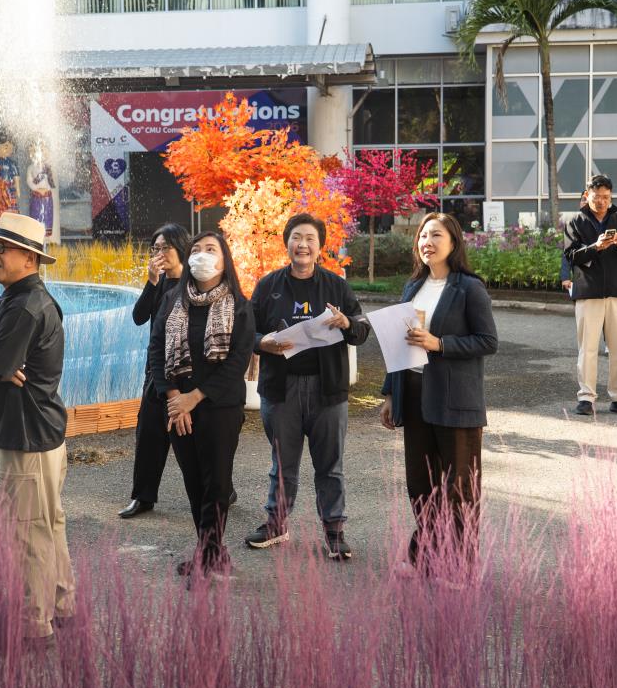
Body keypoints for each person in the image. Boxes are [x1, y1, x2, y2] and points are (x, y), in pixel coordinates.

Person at [0, 212, 74, 641]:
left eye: (2, 248)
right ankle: (62, 606)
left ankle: (33, 626)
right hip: (39, 433)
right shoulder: (14, 299)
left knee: (26, 533)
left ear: (30, 258)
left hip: (27, 437)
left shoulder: (24, 307)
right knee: (47, 525)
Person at [247, 213, 371, 560]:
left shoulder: (336, 286)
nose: (302, 245)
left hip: (327, 390)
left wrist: (347, 323)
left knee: (330, 465)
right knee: (282, 464)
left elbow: (362, 329)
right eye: (296, 238)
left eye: (310, 239)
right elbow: (246, 331)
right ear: (287, 243)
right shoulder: (268, 286)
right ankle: (276, 524)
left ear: (320, 246)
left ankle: (334, 531)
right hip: (280, 389)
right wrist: (262, 342)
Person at [378, 213, 497, 572]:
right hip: (415, 396)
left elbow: (487, 341)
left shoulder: (469, 288)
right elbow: (399, 343)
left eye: (436, 235)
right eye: (422, 236)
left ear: (454, 242)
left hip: (456, 399)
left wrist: (439, 343)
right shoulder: (413, 287)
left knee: (460, 489)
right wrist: (390, 394)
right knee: (421, 484)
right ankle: (427, 556)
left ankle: (460, 565)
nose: (427, 242)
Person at [147, 231, 254, 581]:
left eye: (211, 249)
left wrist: (194, 397)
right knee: (194, 483)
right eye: (196, 249)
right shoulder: (172, 301)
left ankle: (207, 560)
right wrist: (173, 397)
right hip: (177, 408)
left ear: (224, 260)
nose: (202, 255)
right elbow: (156, 350)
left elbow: (237, 362)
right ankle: (212, 554)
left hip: (219, 407)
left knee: (216, 485)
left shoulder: (239, 305)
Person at [119, 223, 192, 519]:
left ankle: (221, 491)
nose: (160, 254)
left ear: (182, 248)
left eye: (166, 247)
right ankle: (143, 496)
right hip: (156, 372)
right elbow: (138, 317)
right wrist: (151, 282)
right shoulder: (158, 282)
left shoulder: (195, 284)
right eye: (155, 248)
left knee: (191, 442)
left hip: (186, 376)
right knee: (148, 434)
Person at [563, 175, 617, 417]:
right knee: (587, 349)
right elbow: (571, 256)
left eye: (606, 197)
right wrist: (595, 247)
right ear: (587, 195)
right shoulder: (575, 221)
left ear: (611, 196)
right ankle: (586, 397)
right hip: (588, 292)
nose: (601, 201)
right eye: (597, 197)